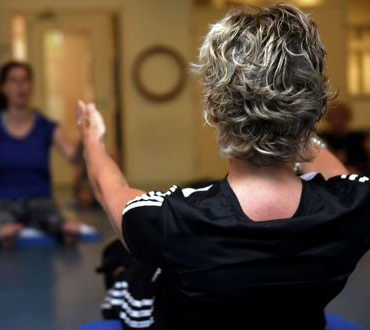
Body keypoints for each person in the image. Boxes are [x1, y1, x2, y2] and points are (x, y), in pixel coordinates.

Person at [77, 4, 370, 330]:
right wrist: (290, 119)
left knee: (129, 262)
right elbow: (337, 172)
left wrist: (93, 140)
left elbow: (108, 189)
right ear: (314, 107)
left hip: (163, 306)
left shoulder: (172, 218)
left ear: (213, 107)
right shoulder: (356, 205)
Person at [0, 61, 81, 249]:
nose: (20, 87)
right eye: (13, 81)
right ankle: (5, 230)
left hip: (40, 199)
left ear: (31, 86)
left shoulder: (49, 127)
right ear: (4, 88)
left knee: (51, 215)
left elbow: (74, 159)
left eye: (25, 81)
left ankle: (62, 228)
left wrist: (86, 140)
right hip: (2, 200)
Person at [319, 100, 369, 175]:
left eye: (340, 115)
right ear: (328, 118)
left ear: (347, 117)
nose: (337, 120)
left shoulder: (359, 138)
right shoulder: (320, 139)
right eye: (334, 115)